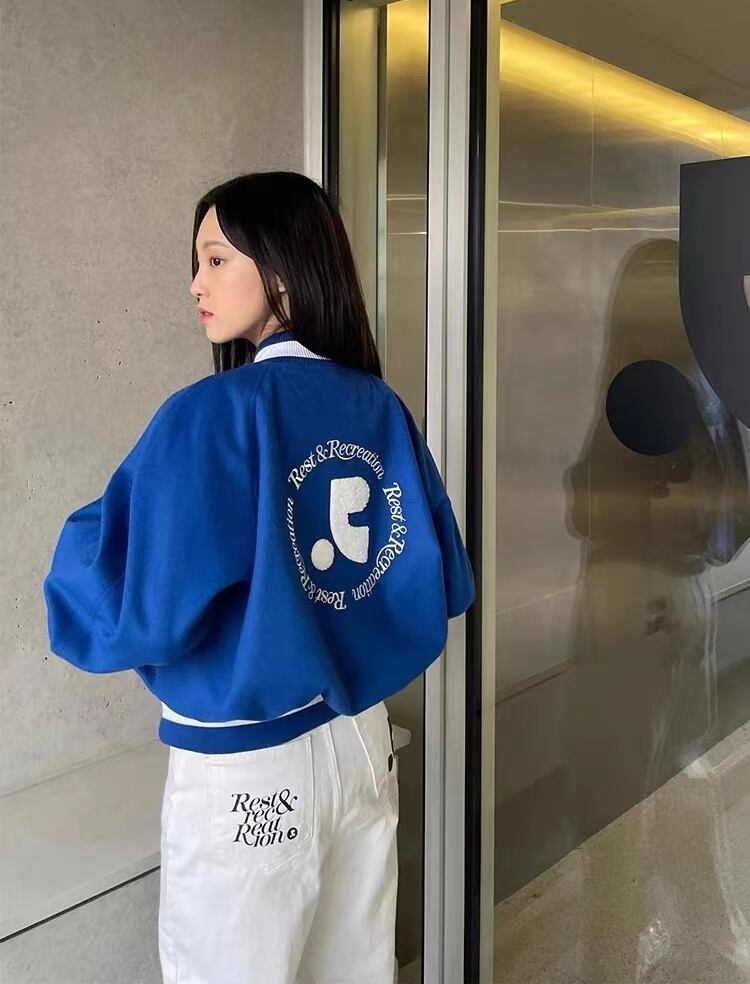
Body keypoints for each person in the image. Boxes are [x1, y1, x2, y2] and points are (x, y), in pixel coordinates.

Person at [42, 170, 476, 984]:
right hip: (360, 744)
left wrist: (104, 527)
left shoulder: (211, 413)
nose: (195, 283)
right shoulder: (377, 405)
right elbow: (442, 580)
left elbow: (131, 606)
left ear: (280, 271)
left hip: (251, 770)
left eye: (215, 259)